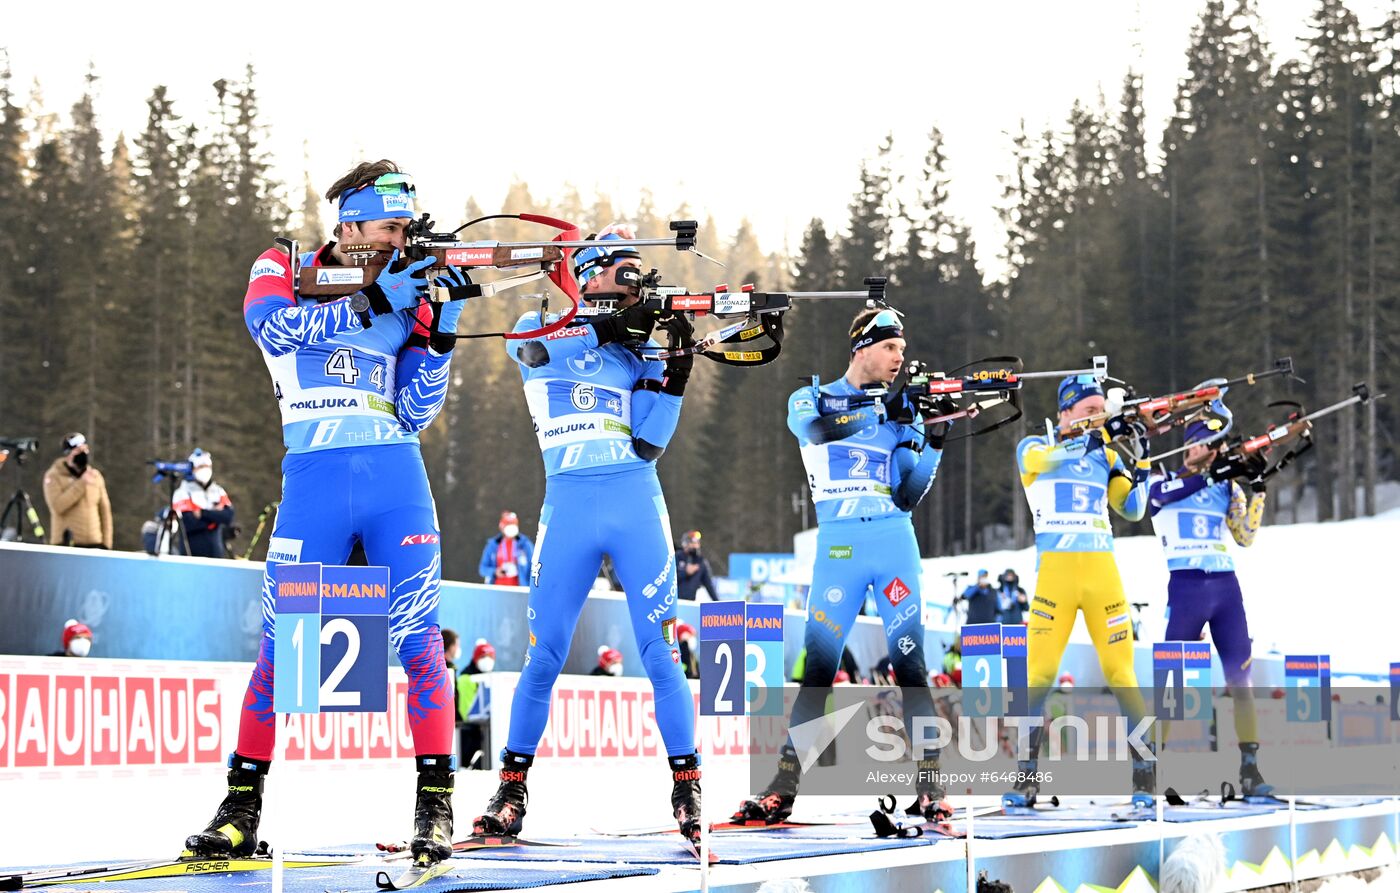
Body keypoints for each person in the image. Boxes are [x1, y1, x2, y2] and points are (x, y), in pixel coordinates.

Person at [184, 161, 465, 867]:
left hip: (396, 477)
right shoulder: (282, 262)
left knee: (418, 642)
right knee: (282, 650)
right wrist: (369, 305)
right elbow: (271, 329)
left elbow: (416, 408)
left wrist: (441, 331)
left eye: (407, 227)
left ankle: (435, 807)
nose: (402, 239)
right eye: (390, 226)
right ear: (349, 226)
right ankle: (239, 810)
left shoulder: (408, 288)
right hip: (314, 479)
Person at [472, 225, 702, 847]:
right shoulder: (540, 323)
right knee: (543, 654)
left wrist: (676, 370)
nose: (634, 285)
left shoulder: (641, 355)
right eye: (623, 272)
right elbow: (530, 351)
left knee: (661, 653)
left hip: (635, 503)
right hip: (567, 504)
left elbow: (649, 444)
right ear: (591, 273)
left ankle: (687, 788)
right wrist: (609, 326)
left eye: (639, 275)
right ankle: (511, 790)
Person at [734, 306, 950, 825]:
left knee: (912, 670)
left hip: (892, 543)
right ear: (864, 348)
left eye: (903, 348)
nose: (901, 357)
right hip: (838, 550)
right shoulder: (812, 396)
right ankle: (784, 786)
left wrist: (934, 437)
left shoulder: (904, 410)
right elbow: (815, 430)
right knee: (818, 673)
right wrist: (882, 411)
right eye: (891, 347)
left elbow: (908, 493)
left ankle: (931, 786)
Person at [1005, 374, 1154, 809]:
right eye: (1088, 411)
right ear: (1064, 412)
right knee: (1039, 676)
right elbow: (1046, 461)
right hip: (1056, 578)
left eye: (1099, 411)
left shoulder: (1105, 454)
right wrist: (1094, 436)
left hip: (1102, 577)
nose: (1096, 418)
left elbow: (1133, 508)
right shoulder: (1034, 447)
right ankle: (1026, 775)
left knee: (1122, 674)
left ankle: (1145, 773)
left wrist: (1139, 462)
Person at [1148, 418, 1271, 796]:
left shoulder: (1227, 486)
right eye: (1199, 444)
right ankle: (1150, 770)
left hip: (1225, 589)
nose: (1195, 450)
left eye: (1208, 446)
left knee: (1241, 680)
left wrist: (1258, 489)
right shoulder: (1164, 477)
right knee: (1172, 683)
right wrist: (1211, 474)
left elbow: (1245, 537)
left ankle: (1250, 770)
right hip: (1185, 588)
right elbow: (1158, 499)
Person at [42, 433, 112, 549]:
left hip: (94, 543)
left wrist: (106, 543)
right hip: (65, 544)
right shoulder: (54, 475)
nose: (83, 454)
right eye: (78, 451)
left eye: (85, 450)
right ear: (68, 454)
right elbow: (57, 506)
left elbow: (105, 511)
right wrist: (81, 483)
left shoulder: (95, 476)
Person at [171, 449, 236, 558]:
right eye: (201, 467)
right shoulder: (182, 492)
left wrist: (202, 513)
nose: (205, 470)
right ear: (192, 469)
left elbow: (228, 516)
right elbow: (187, 524)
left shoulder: (218, 491)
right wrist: (215, 518)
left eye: (208, 467)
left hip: (216, 553)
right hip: (191, 554)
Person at [457, 639, 495, 770]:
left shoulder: (491, 677)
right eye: (484, 656)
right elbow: (466, 711)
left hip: (485, 727)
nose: (487, 660)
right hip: (469, 729)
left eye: (490, 657)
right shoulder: (465, 677)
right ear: (476, 658)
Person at [478, 511, 533, 587]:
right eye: (508, 527)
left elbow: (533, 567)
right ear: (502, 527)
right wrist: (495, 572)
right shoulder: (493, 544)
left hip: (519, 588)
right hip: (497, 588)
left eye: (513, 526)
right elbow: (482, 569)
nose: (511, 530)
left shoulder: (525, 544)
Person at [675, 529, 718, 601]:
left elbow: (708, 585)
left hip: (690, 602)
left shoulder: (700, 562)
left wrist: (718, 603)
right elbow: (669, 580)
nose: (695, 546)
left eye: (697, 543)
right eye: (692, 543)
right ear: (685, 543)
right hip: (675, 602)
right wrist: (685, 572)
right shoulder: (677, 557)